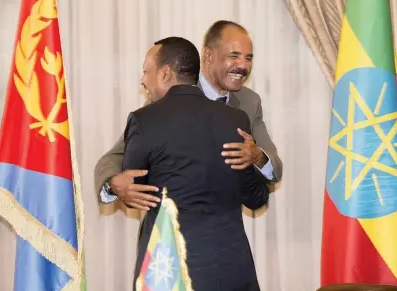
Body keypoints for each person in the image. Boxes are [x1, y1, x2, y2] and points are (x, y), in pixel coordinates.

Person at [123, 37, 268, 290]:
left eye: (147, 71)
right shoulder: (235, 119)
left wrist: (118, 186)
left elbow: (135, 190)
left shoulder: (144, 120)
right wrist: (254, 160)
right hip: (229, 268)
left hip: (169, 269)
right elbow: (256, 198)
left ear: (165, 73)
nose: (143, 80)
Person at [94, 20, 282, 209]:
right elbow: (116, 156)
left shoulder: (250, 102)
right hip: (167, 227)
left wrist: (258, 156)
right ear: (208, 55)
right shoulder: (168, 92)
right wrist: (113, 184)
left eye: (248, 58)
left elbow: (275, 167)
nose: (242, 66)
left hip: (221, 229)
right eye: (234, 56)